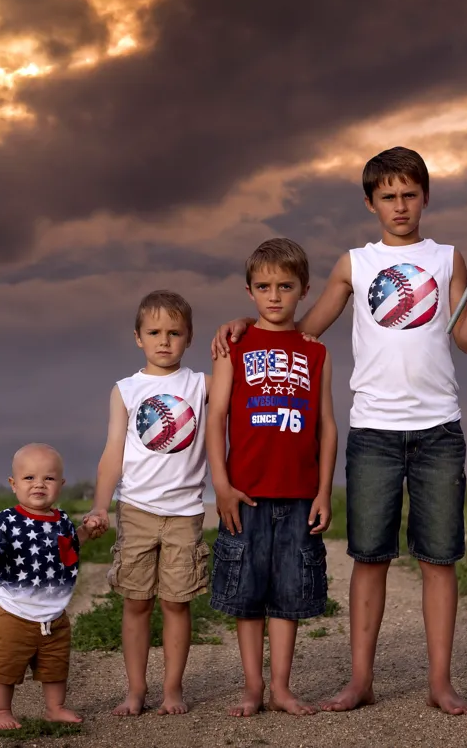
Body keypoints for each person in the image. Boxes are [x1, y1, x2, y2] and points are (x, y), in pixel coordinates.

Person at [212, 147, 467, 715]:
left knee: (439, 559)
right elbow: (302, 331)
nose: (400, 206)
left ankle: (440, 683)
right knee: (369, 557)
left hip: (438, 427)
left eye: (409, 195)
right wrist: (247, 324)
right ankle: (360, 680)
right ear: (371, 203)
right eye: (388, 196)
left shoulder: (446, 259)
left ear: (425, 197)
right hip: (373, 431)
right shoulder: (355, 264)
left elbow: (466, 339)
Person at [206, 238, 337, 717]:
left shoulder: (315, 352)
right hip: (246, 494)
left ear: (304, 290)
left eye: (285, 286)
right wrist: (221, 486)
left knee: (288, 595)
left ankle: (281, 687)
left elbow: (327, 426)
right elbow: (216, 416)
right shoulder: (234, 346)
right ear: (249, 291)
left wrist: (324, 491)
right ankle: (253, 688)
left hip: (300, 494)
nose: (275, 296)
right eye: (264, 287)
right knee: (247, 596)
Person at [84, 290, 212, 717]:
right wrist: (100, 506)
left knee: (176, 602)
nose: (164, 341)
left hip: (184, 512)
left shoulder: (200, 384)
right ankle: (136, 690)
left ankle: (172, 688)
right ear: (138, 337)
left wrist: (242, 328)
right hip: (137, 510)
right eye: (154, 332)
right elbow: (113, 452)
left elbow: (240, 372)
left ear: (189, 337)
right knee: (137, 602)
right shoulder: (126, 390)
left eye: (174, 332)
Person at [0, 442, 99, 730]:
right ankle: (2, 711)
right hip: (13, 612)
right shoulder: (6, 520)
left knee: (55, 666)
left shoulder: (62, 521)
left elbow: (70, 548)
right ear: (14, 484)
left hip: (54, 615)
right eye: (29, 477)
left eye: (49, 478)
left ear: (61, 485)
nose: (39, 484)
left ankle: (55, 708)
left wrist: (86, 531)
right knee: (4, 666)